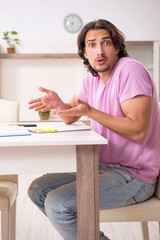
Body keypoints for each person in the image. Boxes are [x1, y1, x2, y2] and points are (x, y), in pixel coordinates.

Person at [28, 19, 160, 240]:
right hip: (102, 168)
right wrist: (59, 105)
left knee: (59, 204)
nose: (99, 50)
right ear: (84, 53)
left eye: (106, 43)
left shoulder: (130, 71)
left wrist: (90, 112)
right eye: (91, 44)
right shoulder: (93, 79)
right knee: (38, 189)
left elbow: (138, 130)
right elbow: (72, 115)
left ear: (117, 47)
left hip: (134, 176)